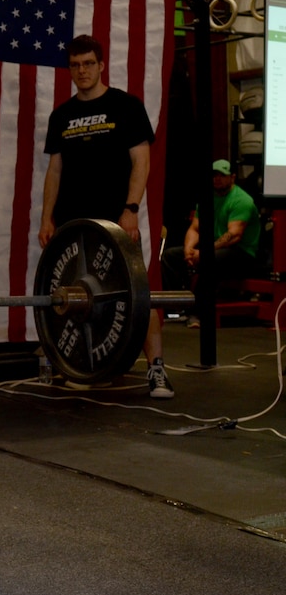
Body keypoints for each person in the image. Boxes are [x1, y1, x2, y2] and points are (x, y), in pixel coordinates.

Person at [39, 33, 173, 399]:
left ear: (100, 66)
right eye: (75, 65)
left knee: (136, 294)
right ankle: (84, 366)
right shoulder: (62, 115)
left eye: (88, 64)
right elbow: (55, 171)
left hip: (116, 222)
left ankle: (156, 371)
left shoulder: (126, 106)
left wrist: (130, 210)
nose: (82, 71)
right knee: (75, 296)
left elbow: (141, 161)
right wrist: (46, 218)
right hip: (73, 224)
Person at [160, 159, 261, 328]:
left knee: (209, 259)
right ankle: (174, 309)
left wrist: (204, 252)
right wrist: (189, 250)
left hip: (242, 253)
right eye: (214, 175)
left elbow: (234, 235)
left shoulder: (242, 200)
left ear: (232, 178)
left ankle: (197, 314)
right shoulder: (207, 198)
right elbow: (195, 229)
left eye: (222, 175)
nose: (217, 179)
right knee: (170, 256)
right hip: (215, 248)